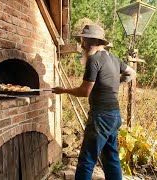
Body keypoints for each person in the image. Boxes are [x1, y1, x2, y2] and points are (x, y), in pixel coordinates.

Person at [53, 24, 136, 180]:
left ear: (89, 41)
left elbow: (84, 92)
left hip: (101, 118)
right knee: (111, 158)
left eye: (83, 40)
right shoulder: (113, 58)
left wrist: (63, 90)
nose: (81, 44)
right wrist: (115, 83)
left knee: (87, 160)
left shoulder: (94, 60)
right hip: (114, 116)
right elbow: (132, 73)